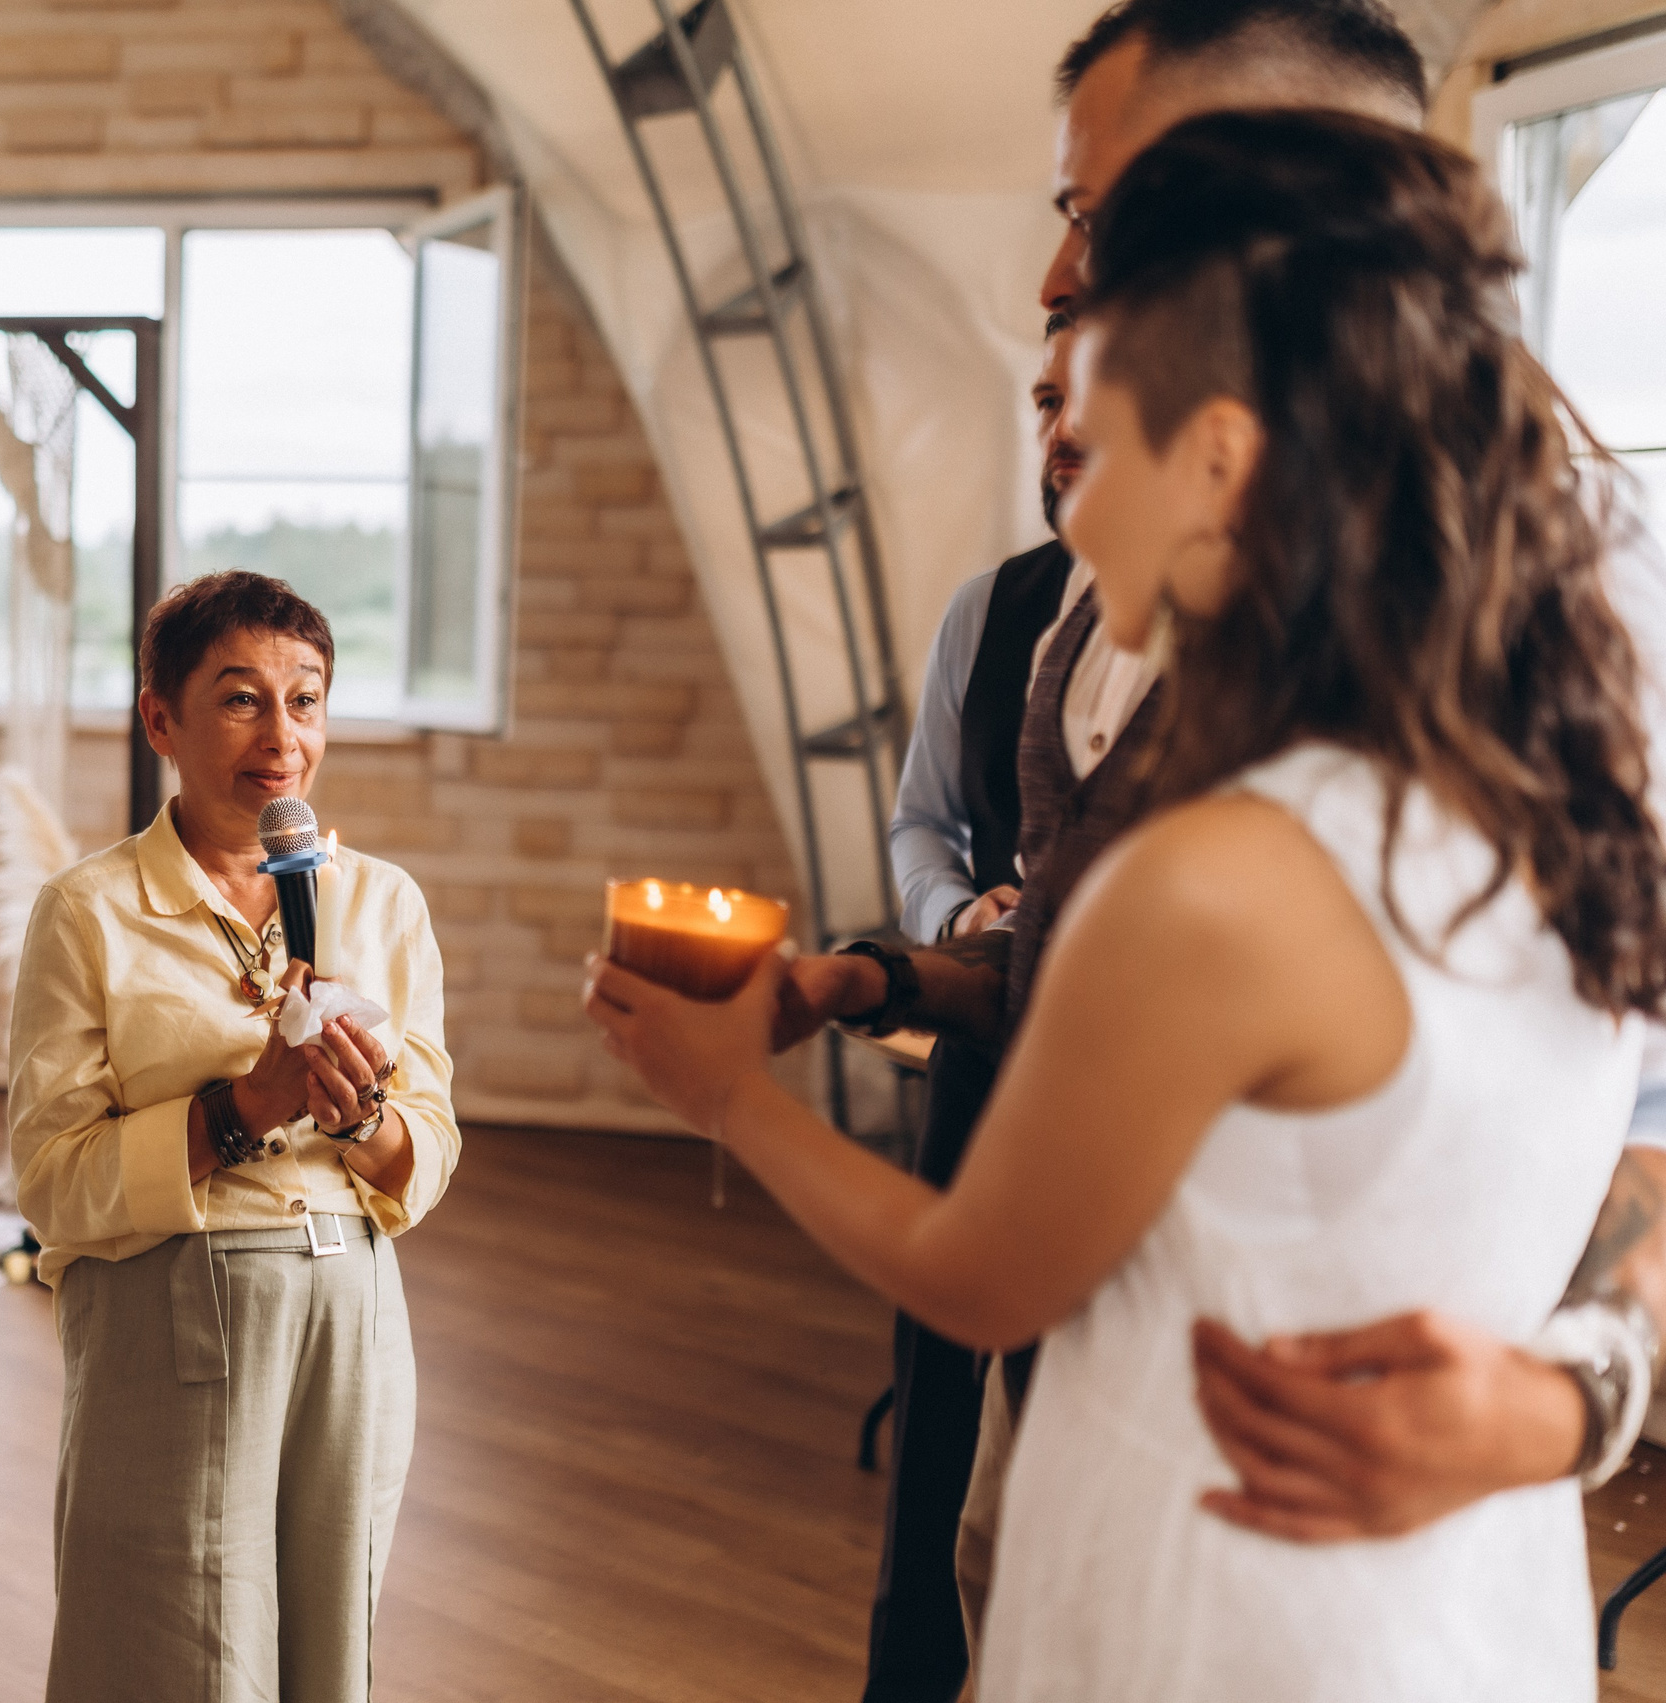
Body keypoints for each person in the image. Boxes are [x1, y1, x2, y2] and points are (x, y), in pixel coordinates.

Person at [591, 107, 1666, 1699]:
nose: (1072, 503)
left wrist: (730, 1094)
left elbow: (983, 1274)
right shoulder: (1572, 798)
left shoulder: (1222, 874)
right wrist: (1581, 1394)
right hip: (1470, 1605)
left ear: (1219, 455)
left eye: (1093, 433)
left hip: (1207, 1603)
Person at [1028, 0, 1666, 1541]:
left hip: (1371, 1501)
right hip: (1106, 1426)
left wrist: (1569, 1394)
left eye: (1103, 216)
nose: (1057, 276)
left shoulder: (1608, 597)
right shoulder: (1153, 543)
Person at [7, 570, 460, 1703]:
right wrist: (241, 1107)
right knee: (172, 1653)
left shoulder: (384, 903)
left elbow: (432, 1146)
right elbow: (54, 1185)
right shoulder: (88, 910)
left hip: (354, 1321)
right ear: (160, 717)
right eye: (240, 698)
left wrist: (361, 1115)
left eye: (304, 700)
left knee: (325, 1660)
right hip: (171, 1319)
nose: (282, 736)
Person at [863, 314, 1080, 1701]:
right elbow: (922, 824)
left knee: (1071, 1390)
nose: (1060, 430)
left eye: (1085, 397)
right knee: (937, 1379)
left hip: (1127, 1075)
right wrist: (954, 915)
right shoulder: (992, 609)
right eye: (1043, 397)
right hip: (983, 1037)